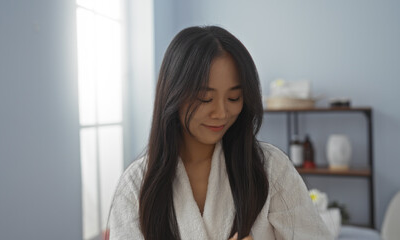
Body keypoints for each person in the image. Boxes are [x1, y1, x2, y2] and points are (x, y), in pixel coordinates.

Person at [108, 26, 332, 240]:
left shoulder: (271, 169)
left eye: (234, 98)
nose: (222, 113)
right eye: (205, 99)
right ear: (173, 95)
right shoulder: (135, 186)